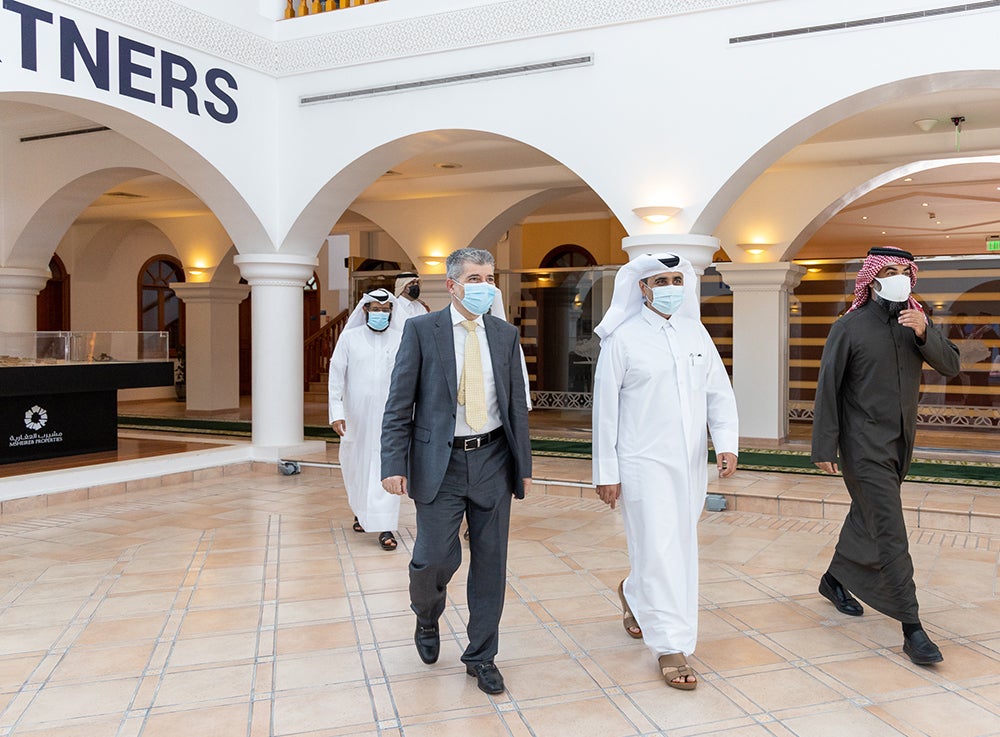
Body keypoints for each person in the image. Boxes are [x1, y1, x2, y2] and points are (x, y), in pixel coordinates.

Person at [381, 247, 532, 696]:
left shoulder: (505, 335)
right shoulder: (421, 331)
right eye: (474, 278)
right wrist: (393, 463)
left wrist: (523, 464)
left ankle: (481, 656)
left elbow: (516, 408)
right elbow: (398, 403)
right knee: (433, 560)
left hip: (493, 459)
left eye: (489, 277)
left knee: (491, 564)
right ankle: (427, 616)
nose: (484, 285)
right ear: (451, 285)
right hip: (438, 463)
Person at [591, 253, 739, 691]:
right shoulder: (623, 339)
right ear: (642, 288)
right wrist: (606, 470)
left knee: (676, 545)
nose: (672, 286)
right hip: (640, 462)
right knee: (658, 548)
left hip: (689, 463)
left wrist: (726, 443)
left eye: (678, 278)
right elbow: (606, 411)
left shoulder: (696, 332)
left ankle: (634, 592)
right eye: (662, 279)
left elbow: (718, 392)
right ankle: (670, 645)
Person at [812, 246, 960, 665]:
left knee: (868, 515)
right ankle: (912, 628)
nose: (897, 277)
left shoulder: (916, 321)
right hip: (862, 447)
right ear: (872, 277)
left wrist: (924, 333)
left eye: (904, 271)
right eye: (889, 270)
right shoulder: (850, 327)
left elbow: (951, 365)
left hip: (899, 445)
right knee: (890, 530)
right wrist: (824, 444)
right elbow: (829, 388)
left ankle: (833, 579)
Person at [328, 288, 403, 551]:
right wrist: (336, 413)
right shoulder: (350, 339)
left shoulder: (400, 339)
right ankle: (361, 511)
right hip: (355, 417)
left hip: (391, 418)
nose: (381, 314)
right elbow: (336, 377)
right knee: (355, 467)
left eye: (385, 310)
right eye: (376, 309)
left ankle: (385, 526)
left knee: (388, 466)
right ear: (365, 311)